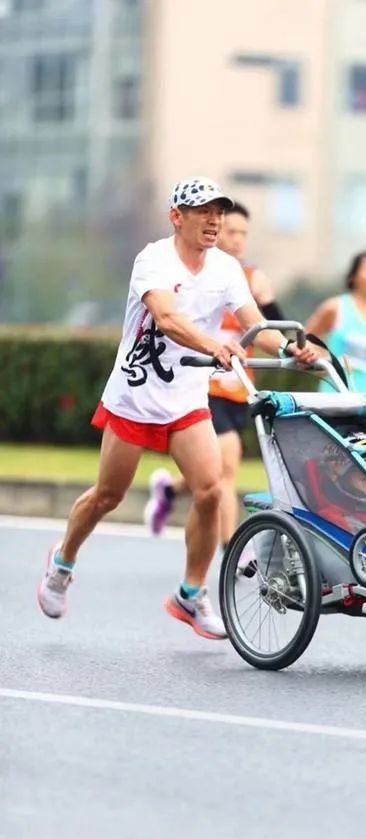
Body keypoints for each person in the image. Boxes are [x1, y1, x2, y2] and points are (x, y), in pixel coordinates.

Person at [37, 176, 319, 639]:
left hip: (186, 399)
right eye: (204, 212)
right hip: (135, 395)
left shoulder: (226, 269)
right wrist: (214, 345)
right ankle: (62, 562)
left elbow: (255, 326)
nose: (214, 221)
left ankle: (190, 594)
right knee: (108, 495)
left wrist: (292, 350)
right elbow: (167, 319)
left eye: (219, 212)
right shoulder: (153, 259)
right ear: (177, 217)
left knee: (210, 490)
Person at [144, 201, 285, 545]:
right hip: (202, 385)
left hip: (238, 386)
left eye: (243, 233)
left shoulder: (249, 279)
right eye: (230, 231)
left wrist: (268, 302)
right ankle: (231, 550)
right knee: (228, 466)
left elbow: (272, 331)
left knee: (213, 473)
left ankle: (169, 491)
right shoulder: (188, 274)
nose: (236, 239)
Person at [304, 250, 366, 406]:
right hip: (334, 397)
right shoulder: (335, 308)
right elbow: (305, 339)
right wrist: (318, 360)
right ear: (354, 275)